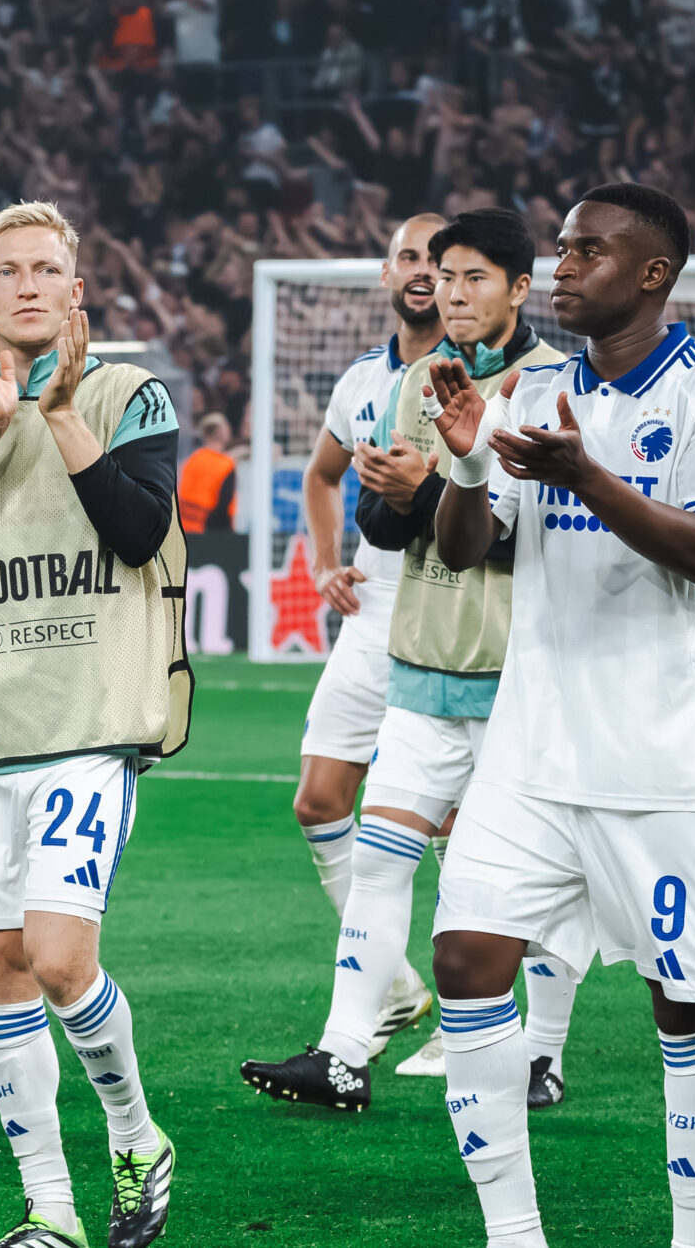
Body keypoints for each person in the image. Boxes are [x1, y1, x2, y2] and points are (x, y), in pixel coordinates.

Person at [424, 184, 695, 1248]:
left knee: (685, 1008)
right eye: (562, 249)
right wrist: (471, 457)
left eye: (586, 250)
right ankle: (513, 1234)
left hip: (661, 761)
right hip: (530, 753)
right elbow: (464, 547)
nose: (562, 266)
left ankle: (693, 1237)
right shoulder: (530, 389)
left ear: (651, 273)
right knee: (464, 963)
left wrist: (587, 472)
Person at [0, 201, 186, 1248]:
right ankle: (48, 1209)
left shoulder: (128, 395)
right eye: (4, 270)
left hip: (89, 722)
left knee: (60, 958)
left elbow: (141, 527)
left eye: (44, 268)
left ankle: (137, 1133)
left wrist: (57, 414)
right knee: (3, 969)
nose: (25, 283)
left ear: (75, 292)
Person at [241, 209, 580, 1111]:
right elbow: (385, 527)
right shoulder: (417, 383)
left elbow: (520, 536)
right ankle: (344, 1050)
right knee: (385, 855)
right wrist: (393, 496)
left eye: (475, 278)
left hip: (521, 670)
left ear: (519, 287)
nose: (454, 292)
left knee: (528, 877)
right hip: (424, 662)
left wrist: (427, 487)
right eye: (447, 275)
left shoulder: (556, 388)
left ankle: (542, 1052)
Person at [289, 213, 445, 1070]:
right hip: (371, 617)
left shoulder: (475, 378)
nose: (423, 272)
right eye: (410, 257)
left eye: (438, 259)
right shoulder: (359, 382)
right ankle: (392, 987)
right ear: (387, 273)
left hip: (454, 617)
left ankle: (486, 1021)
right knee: (318, 802)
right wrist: (322, 564)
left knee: (458, 825)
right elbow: (321, 475)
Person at [175, 412, 237, 532]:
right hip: (213, 529)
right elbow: (225, 501)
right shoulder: (226, 464)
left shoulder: (193, 459)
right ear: (220, 432)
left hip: (185, 526)